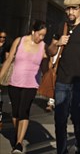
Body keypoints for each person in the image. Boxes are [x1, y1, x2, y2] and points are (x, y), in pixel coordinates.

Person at [48, 0, 80, 154]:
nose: (70, 11)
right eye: (68, 8)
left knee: (77, 117)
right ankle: (61, 151)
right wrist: (57, 43)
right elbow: (50, 51)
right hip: (62, 80)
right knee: (59, 119)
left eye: (74, 8)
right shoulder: (60, 26)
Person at [0, 20, 48, 154]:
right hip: (14, 82)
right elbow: (8, 61)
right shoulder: (19, 41)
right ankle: (17, 134)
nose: (41, 38)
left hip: (31, 84)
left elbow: (46, 67)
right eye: (40, 34)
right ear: (33, 31)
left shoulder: (43, 46)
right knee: (15, 112)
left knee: (24, 111)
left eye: (44, 35)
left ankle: (19, 143)